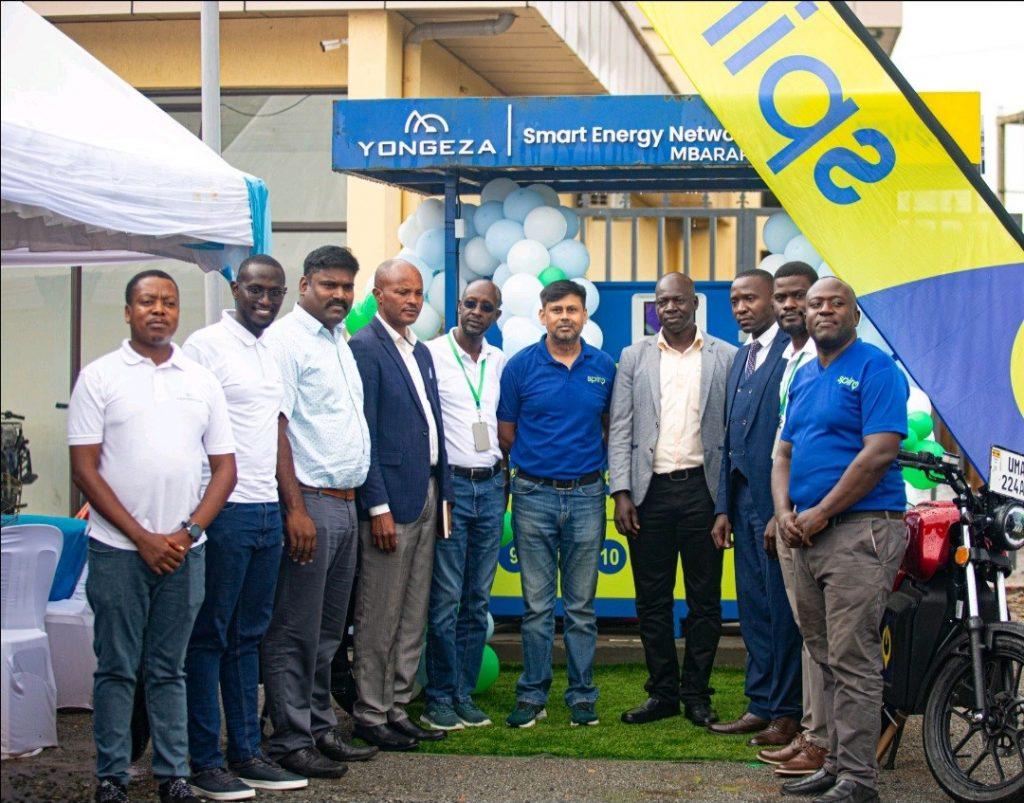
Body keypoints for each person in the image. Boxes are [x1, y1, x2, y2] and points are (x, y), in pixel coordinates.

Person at [69, 270, 237, 803]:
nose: (159, 310)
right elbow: (85, 469)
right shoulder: (99, 377)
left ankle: (173, 775)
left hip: (185, 552)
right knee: (117, 667)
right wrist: (142, 537)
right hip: (118, 550)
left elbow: (226, 469)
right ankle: (112, 777)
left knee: (170, 668)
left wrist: (187, 533)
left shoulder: (200, 379)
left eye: (168, 302)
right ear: (127, 311)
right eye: (147, 301)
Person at [772, 278, 908, 803]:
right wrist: (785, 512)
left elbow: (878, 453)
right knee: (823, 653)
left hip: (859, 531)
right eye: (815, 305)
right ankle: (834, 763)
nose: (824, 311)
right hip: (801, 533)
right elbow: (782, 453)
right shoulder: (804, 375)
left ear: (854, 314)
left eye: (836, 303)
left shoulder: (876, 368)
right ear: (805, 316)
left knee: (853, 657)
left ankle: (859, 779)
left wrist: (823, 513)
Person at [181, 255, 307, 799]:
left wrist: (290, 503)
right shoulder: (205, 346)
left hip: (264, 511)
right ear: (236, 288)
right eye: (256, 289)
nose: (265, 299)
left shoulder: (268, 350)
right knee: (210, 637)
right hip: (224, 510)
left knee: (249, 638)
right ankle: (205, 760)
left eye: (274, 292)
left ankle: (247, 752)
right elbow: (187, 429)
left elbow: (275, 431)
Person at [260, 246, 378, 779]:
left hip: (345, 503)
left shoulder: (339, 341)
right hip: (309, 503)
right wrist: (294, 509)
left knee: (330, 631)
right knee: (295, 629)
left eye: (347, 287)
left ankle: (318, 727)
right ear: (305, 284)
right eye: (329, 285)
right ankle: (287, 738)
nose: (339, 295)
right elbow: (277, 426)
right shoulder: (286, 342)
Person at [608, 272, 736, 728]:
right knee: (652, 600)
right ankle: (662, 692)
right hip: (650, 494)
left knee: (705, 602)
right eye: (661, 302)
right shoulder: (633, 356)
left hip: (704, 491)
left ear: (695, 303)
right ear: (655, 308)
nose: (669, 308)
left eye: (677, 300)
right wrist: (621, 492)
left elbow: (732, 436)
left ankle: (696, 694)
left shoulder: (726, 357)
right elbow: (620, 426)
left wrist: (725, 505)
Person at [497, 279, 616, 729]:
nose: (565, 316)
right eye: (556, 309)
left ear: (585, 316)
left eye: (573, 309)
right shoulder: (520, 367)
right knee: (538, 607)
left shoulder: (604, 365)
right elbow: (507, 431)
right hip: (533, 494)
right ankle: (532, 696)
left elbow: (608, 426)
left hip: (587, 495)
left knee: (582, 608)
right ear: (541, 316)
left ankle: (582, 697)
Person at [349, 259, 455, 751]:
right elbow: (364, 435)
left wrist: (446, 493)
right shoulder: (365, 349)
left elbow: (434, 428)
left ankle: (397, 704)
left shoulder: (422, 352)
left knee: (413, 612)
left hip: (428, 492)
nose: (412, 300)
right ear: (378, 295)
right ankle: (369, 712)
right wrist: (377, 507)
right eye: (401, 292)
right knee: (380, 612)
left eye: (417, 292)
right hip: (390, 502)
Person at [709, 269, 802, 747]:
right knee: (753, 610)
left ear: (773, 302)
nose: (741, 307)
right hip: (742, 503)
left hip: (774, 506)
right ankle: (759, 703)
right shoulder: (740, 356)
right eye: (734, 300)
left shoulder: (793, 355)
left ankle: (787, 712)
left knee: (783, 612)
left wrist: (779, 507)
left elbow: (794, 441)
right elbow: (729, 438)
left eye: (751, 298)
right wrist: (724, 505)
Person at [421, 280, 508, 731]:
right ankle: (437, 696)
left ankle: (463, 694)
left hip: (491, 487)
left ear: (496, 314)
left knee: (477, 599)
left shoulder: (498, 361)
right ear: (458, 306)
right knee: (446, 598)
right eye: (470, 303)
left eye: (486, 307)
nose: (476, 311)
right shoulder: (430, 354)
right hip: (451, 487)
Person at [756, 261, 828, 778]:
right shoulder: (788, 359)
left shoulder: (839, 363)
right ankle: (812, 732)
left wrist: (807, 509)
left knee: (831, 641)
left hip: (831, 519)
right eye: (781, 297)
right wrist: (779, 511)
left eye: (798, 296)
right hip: (791, 514)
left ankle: (828, 742)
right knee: (809, 634)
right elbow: (784, 446)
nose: (789, 306)